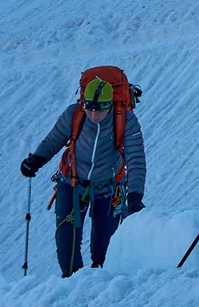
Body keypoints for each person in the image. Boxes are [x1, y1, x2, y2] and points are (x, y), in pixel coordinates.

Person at [20, 67, 146, 277]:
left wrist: (134, 196)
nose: (94, 114)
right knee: (66, 244)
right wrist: (36, 160)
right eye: (90, 108)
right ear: (83, 102)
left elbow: (136, 160)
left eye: (101, 108)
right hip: (71, 183)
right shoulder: (74, 114)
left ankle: (101, 288)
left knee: (104, 249)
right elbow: (54, 140)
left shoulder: (125, 119)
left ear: (111, 104)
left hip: (109, 187)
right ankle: (72, 283)